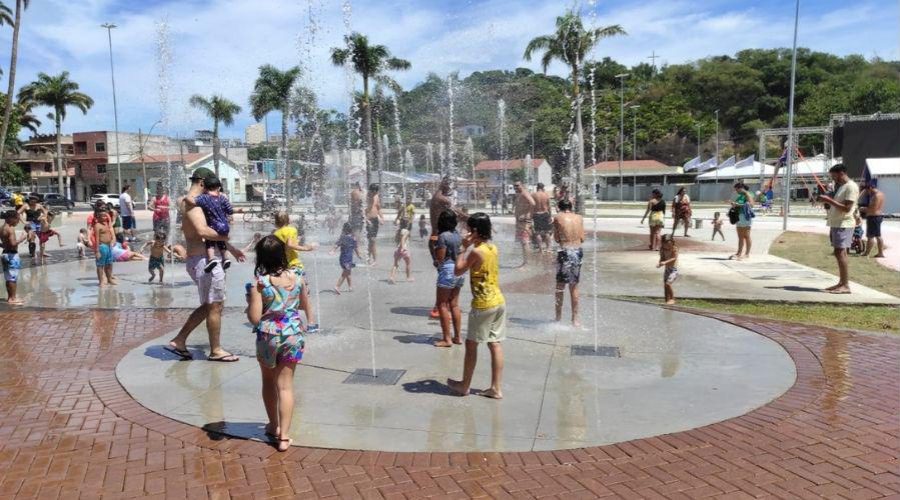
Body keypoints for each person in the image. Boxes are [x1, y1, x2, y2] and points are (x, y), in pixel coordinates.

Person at [166, 167, 244, 362]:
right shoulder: (194, 204)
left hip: (201, 258)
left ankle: (179, 340)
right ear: (202, 183)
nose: (213, 192)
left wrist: (231, 249)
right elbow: (203, 231)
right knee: (215, 306)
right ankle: (216, 350)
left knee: (211, 305)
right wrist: (226, 235)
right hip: (204, 260)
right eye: (210, 186)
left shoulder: (188, 202)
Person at [246, 235, 309, 452]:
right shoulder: (298, 277)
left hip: (268, 337)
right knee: (286, 386)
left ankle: (273, 426)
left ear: (261, 258)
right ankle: (284, 437)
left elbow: (254, 318)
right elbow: (303, 306)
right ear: (283, 254)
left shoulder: (260, 284)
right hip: (293, 335)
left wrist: (250, 305)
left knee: (268, 382)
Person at [447, 213, 505, 400]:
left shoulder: (475, 251)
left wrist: (463, 248)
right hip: (498, 301)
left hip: (483, 304)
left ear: (475, 231)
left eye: (468, 228)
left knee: (471, 344)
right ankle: (495, 388)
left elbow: (458, 270)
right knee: (494, 343)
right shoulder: (492, 247)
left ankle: (464, 385)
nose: (465, 231)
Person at [272, 212, 318, 333]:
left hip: (283, 268)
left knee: (290, 297)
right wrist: (307, 248)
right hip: (295, 266)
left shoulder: (275, 233)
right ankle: (311, 324)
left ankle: (296, 323)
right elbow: (291, 245)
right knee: (305, 296)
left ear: (276, 221)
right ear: (288, 220)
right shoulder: (291, 229)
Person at [817, 164, 859, 294]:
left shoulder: (851, 187)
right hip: (837, 223)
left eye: (834, 176)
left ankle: (845, 285)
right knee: (838, 252)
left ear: (841, 173)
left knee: (841, 253)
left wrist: (829, 200)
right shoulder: (841, 186)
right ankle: (841, 282)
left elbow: (847, 208)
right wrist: (827, 201)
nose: (833, 179)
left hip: (844, 224)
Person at [185, 174, 237, 273]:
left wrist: (185, 198)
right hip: (225, 226)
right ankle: (226, 258)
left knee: (210, 241)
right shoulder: (222, 198)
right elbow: (230, 210)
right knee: (221, 242)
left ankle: (212, 258)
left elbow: (192, 201)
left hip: (213, 226)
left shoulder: (205, 198)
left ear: (204, 186)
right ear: (218, 187)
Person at [433, 210, 465, 348]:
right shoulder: (457, 235)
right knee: (454, 304)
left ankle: (447, 339)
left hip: (447, 270)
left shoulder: (443, 236)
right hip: (459, 270)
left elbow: (440, 258)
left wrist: (436, 260)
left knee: (442, 304)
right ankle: (458, 337)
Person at [553, 198, 584, 327]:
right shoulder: (579, 217)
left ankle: (558, 318)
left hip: (565, 252)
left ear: (559, 207)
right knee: (574, 286)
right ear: (571, 207)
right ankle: (575, 319)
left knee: (560, 286)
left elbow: (556, 238)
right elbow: (582, 238)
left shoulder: (557, 217)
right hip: (577, 252)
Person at [429, 177, 456, 319]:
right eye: (450, 185)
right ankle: (438, 307)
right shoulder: (442, 199)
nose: (452, 188)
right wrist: (471, 219)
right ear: (444, 185)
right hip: (438, 239)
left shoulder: (437, 196)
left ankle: (444, 305)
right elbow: (455, 214)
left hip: (436, 238)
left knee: (446, 272)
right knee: (446, 273)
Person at [1, 209, 27, 305]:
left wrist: (4, 245)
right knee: (12, 278)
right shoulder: (10, 228)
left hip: (5, 254)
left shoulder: (2, 227)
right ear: (11, 218)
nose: (17, 221)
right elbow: (13, 243)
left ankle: (10, 297)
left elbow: (4, 244)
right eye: (17, 219)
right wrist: (22, 238)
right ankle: (12, 298)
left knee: (8, 277)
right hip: (11, 255)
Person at [331, 222, 362, 294]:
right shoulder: (353, 238)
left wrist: (332, 251)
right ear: (351, 230)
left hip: (343, 258)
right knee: (345, 273)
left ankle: (350, 287)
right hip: (347, 259)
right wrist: (359, 255)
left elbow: (336, 245)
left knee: (348, 272)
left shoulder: (342, 237)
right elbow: (356, 248)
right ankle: (337, 286)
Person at [513, 181, 536, 266]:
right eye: (514, 186)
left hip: (524, 222)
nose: (516, 187)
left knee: (525, 242)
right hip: (520, 222)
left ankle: (527, 263)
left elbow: (533, 203)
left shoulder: (524, 193)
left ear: (522, 185)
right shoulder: (520, 194)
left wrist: (528, 214)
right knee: (523, 242)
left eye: (517, 185)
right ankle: (525, 262)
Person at [729, 182, 754, 260]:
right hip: (739, 216)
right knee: (740, 236)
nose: (736, 191)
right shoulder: (740, 196)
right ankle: (739, 253)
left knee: (746, 235)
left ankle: (747, 254)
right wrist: (734, 205)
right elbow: (739, 205)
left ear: (741, 188)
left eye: (737, 189)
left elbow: (751, 204)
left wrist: (737, 205)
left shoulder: (748, 194)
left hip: (745, 217)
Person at [860, 183, 885, 258]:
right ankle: (880, 253)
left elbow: (872, 209)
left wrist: (863, 209)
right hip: (878, 216)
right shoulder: (881, 194)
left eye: (867, 190)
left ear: (870, 188)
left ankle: (866, 253)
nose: (867, 192)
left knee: (870, 236)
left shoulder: (875, 196)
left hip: (873, 217)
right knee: (878, 235)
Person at [92, 209, 117, 286]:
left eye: (105, 216)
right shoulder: (97, 225)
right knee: (100, 265)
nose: (105, 217)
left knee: (109, 264)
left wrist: (112, 239)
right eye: (103, 216)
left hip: (108, 246)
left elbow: (111, 231)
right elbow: (97, 239)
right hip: (102, 246)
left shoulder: (106, 224)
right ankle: (101, 281)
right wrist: (97, 251)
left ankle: (109, 279)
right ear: (98, 217)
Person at [365, 184, 384, 265]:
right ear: (370, 190)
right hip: (368, 221)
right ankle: (371, 259)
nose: (375, 193)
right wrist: (366, 220)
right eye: (373, 192)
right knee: (372, 240)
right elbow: (361, 211)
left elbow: (378, 208)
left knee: (372, 241)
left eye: (376, 192)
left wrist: (382, 217)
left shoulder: (376, 197)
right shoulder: (365, 198)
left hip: (375, 220)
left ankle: (371, 259)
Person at [388, 220, 413, 284]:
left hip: (397, 250)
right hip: (404, 250)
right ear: (407, 225)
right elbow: (403, 239)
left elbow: (396, 240)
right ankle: (408, 277)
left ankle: (392, 277)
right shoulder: (406, 231)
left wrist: (400, 247)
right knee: (408, 263)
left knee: (395, 265)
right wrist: (403, 248)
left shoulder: (398, 231)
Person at [657, 234, 679, 305]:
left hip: (673, 270)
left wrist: (665, 262)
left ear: (672, 242)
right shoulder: (662, 249)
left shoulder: (674, 248)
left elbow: (674, 258)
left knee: (668, 284)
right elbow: (662, 258)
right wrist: (660, 263)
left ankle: (672, 299)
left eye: (669, 244)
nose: (667, 246)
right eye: (665, 245)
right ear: (662, 244)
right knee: (665, 286)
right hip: (667, 270)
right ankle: (667, 300)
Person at [532, 183, 553, 253]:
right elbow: (549, 206)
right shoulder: (546, 195)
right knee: (547, 232)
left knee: (537, 233)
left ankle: (541, 249)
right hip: (545, 214)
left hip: (536, 214)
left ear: (537, 187)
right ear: (543, 188)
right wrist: (550, 216)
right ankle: (548, 248)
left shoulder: (533, 195)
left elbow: (531, 206)